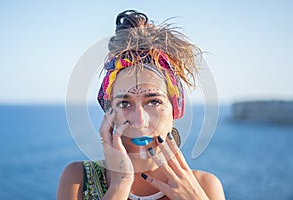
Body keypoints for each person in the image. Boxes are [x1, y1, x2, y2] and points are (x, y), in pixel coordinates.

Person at [57, 10, 225, 200]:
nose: (139, 121)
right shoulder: (77, 179)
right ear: (109, 112)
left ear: (176, 108)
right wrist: (119, 185)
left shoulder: (205, 187)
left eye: (154, 101)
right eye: (125, 103)